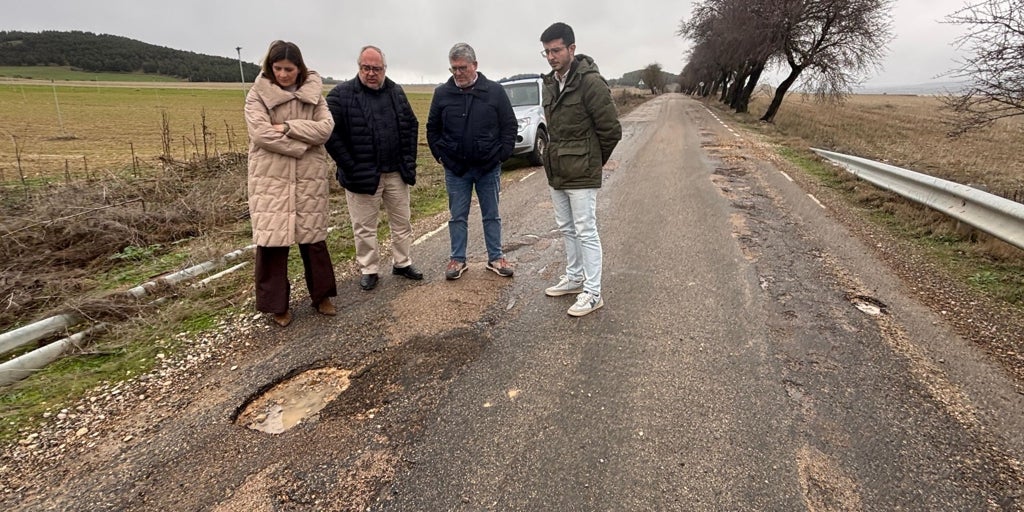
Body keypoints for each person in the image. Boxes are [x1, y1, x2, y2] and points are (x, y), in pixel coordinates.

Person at [244, 40, 338, 327]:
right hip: (270, 178)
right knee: (272, 243)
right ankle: (277, 305)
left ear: (299, 68)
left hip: (308, 177)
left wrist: (287, 127)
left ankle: (322, 296)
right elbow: (261, 135)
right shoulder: (257, 95)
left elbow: (325, 129)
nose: (283, 74)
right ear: (270, 68)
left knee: (314, 239)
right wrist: (300, 145)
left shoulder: (314, 94)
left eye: (289, 69)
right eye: (278, 68)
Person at [539, 23, 622, 317]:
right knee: (566, 227)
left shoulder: (590, 82)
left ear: (571, 49)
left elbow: (611, 130)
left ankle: (593, 291)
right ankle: (574, 278)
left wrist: (592, 161)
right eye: (546, 51)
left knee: (586, 230)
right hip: (557, 170)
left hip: (582, 171)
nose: (551, 57)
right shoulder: (550, 82)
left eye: (556, 50)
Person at [325, 45, 422, 291]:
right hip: (361, 176)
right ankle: (369, 269)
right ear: (359, 67)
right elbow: (331, 135)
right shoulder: (340, 95)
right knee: (364, 227)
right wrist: (350, 166)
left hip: (395, 173)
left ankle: (402, 262)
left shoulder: (396, 92)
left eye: (376, 68)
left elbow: (411, 125)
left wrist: (408, 161)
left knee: (402, 222)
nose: (371, 73)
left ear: (384, 69)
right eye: (366, 68)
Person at [426, 42, 518, 281]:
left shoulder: (495, 92)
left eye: (462, 68)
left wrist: (502, 154)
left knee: (491, 214)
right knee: (457, 216)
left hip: (488, 168)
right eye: (453, 68)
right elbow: (432, 129)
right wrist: (441, 155)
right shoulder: (442, 94)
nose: (458, 73)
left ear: (475, 65)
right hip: (456, 169)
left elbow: (509, 125)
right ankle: (457, 259)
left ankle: (496, 258)